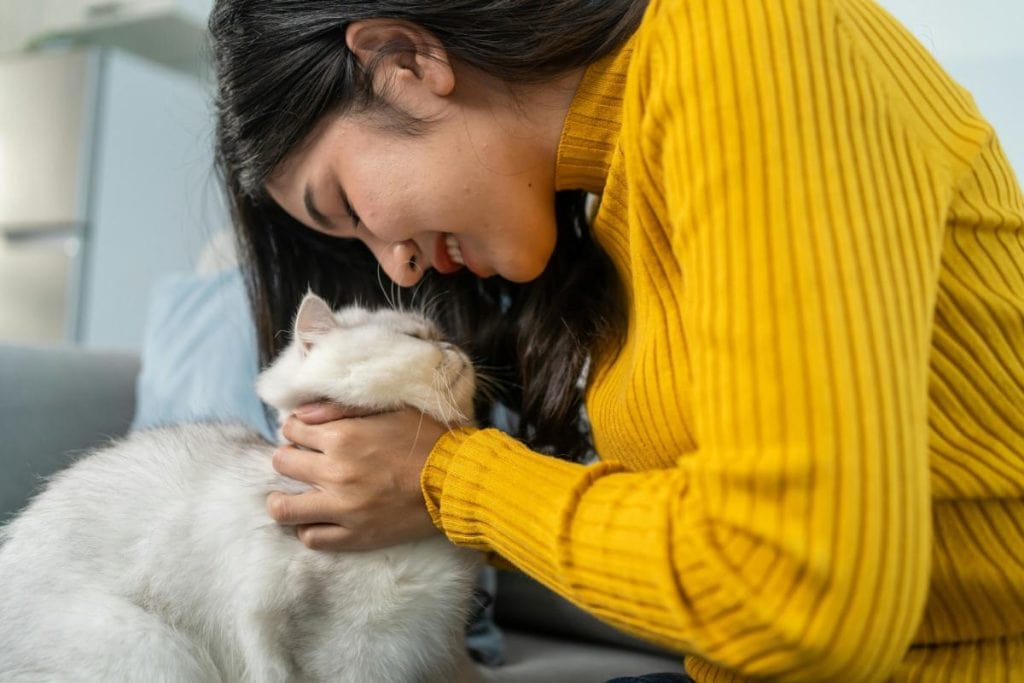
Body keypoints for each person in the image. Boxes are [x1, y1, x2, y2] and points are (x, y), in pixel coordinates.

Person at [209, 1, 1024, 680]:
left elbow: (797, 589)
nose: (402, 266)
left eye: (348, 205)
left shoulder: (754, 38)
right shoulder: (615, 207)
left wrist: (450, 477)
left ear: (403, 61)